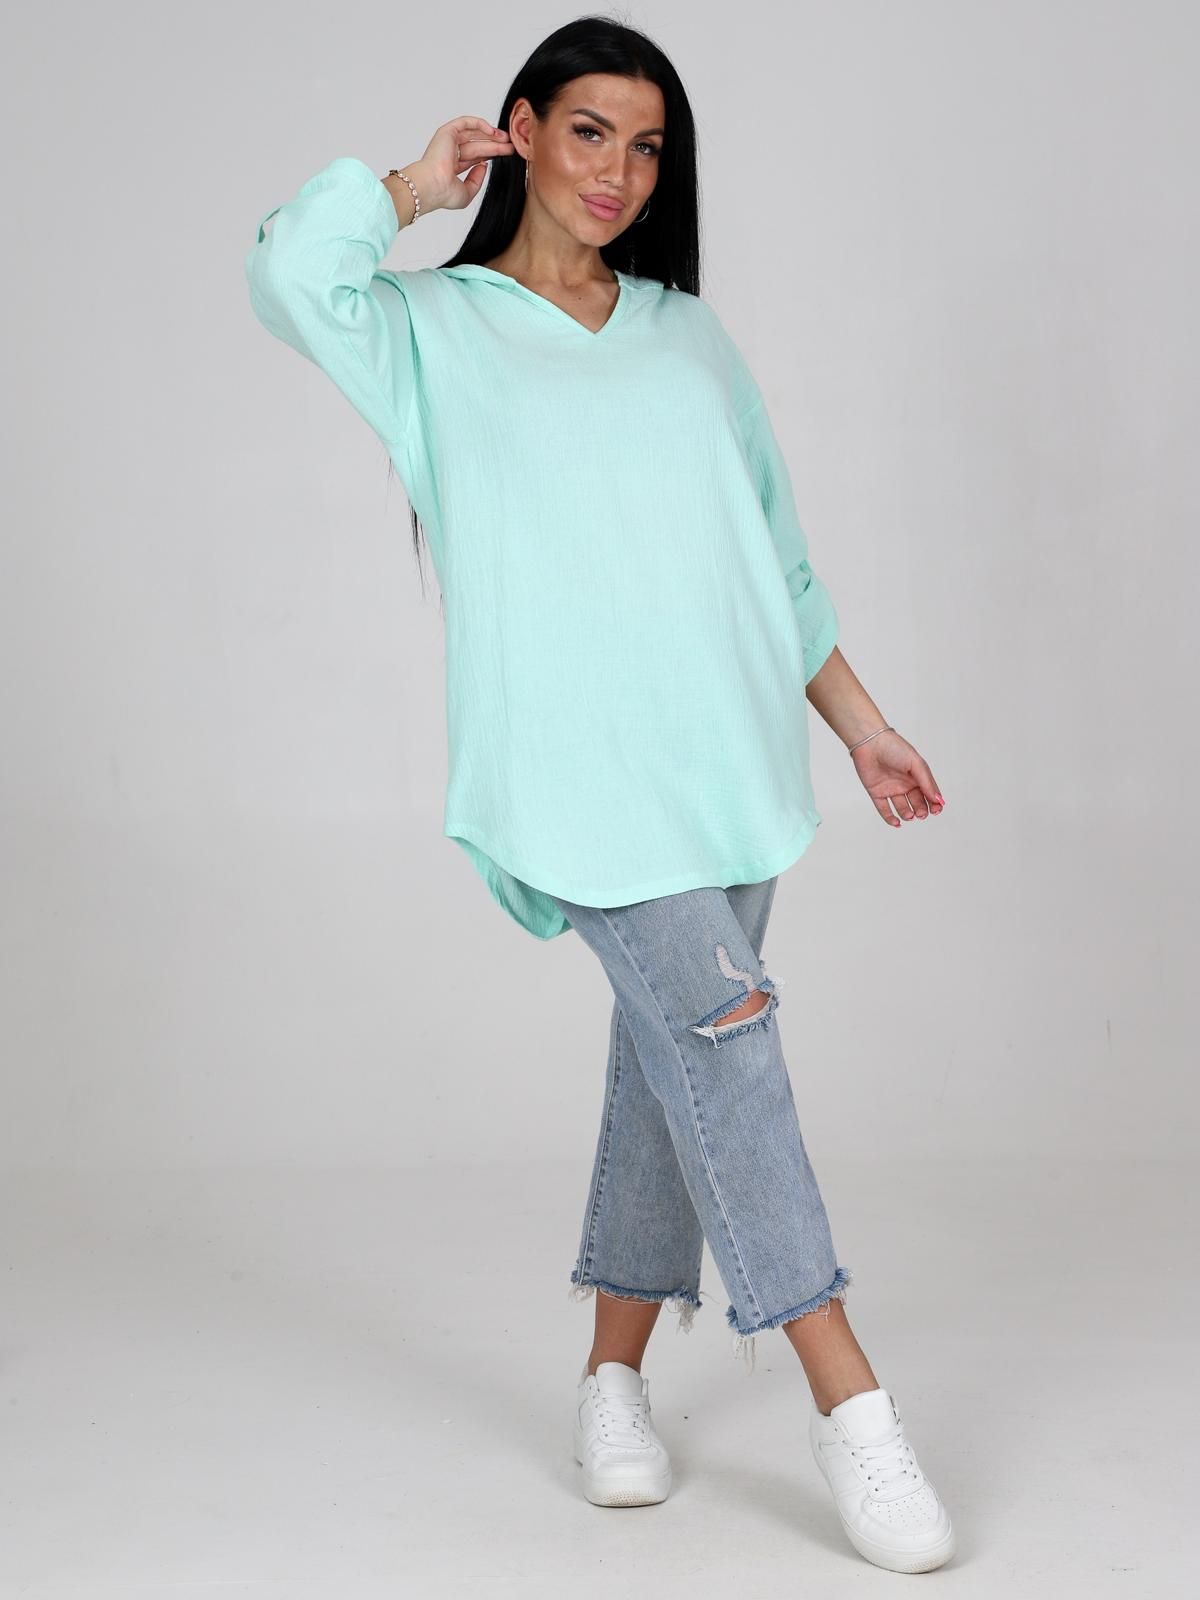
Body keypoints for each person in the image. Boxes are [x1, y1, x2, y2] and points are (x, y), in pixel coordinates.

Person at [243, 13, 954, 1575]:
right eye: (588, 133)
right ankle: (854, 1407)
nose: (619, 172)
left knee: (669, 1064)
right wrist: (408, 188)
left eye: (646, 146)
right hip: (577, 779)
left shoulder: (689, 336)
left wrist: (862, 726)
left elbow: (776, 557)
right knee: (729, 1044)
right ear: (522, 129)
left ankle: (612, 1382)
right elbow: (289, 273)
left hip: (728, 764)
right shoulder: (431, 329)